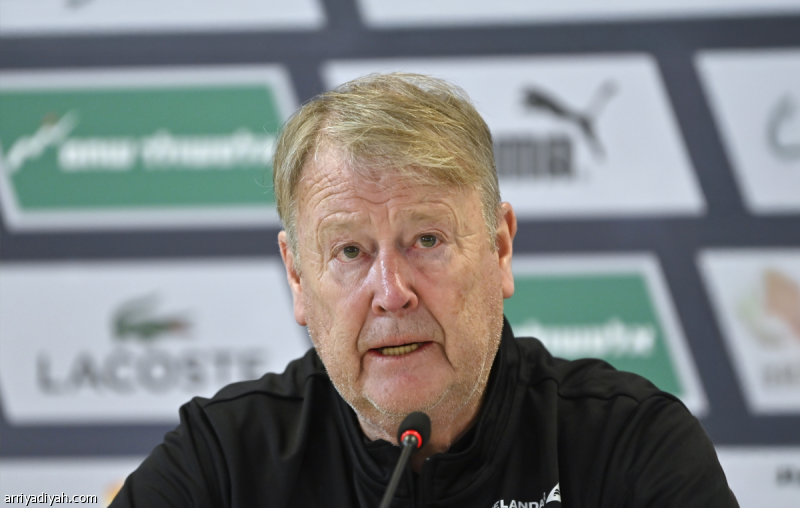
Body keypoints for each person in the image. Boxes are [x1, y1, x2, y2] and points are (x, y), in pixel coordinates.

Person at [111, 73, 738, 507]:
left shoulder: (632, 448)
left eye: (427, 240)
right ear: (297, 277)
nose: (392, 293)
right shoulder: (223, 460)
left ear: (499, 248)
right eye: (350, 252)